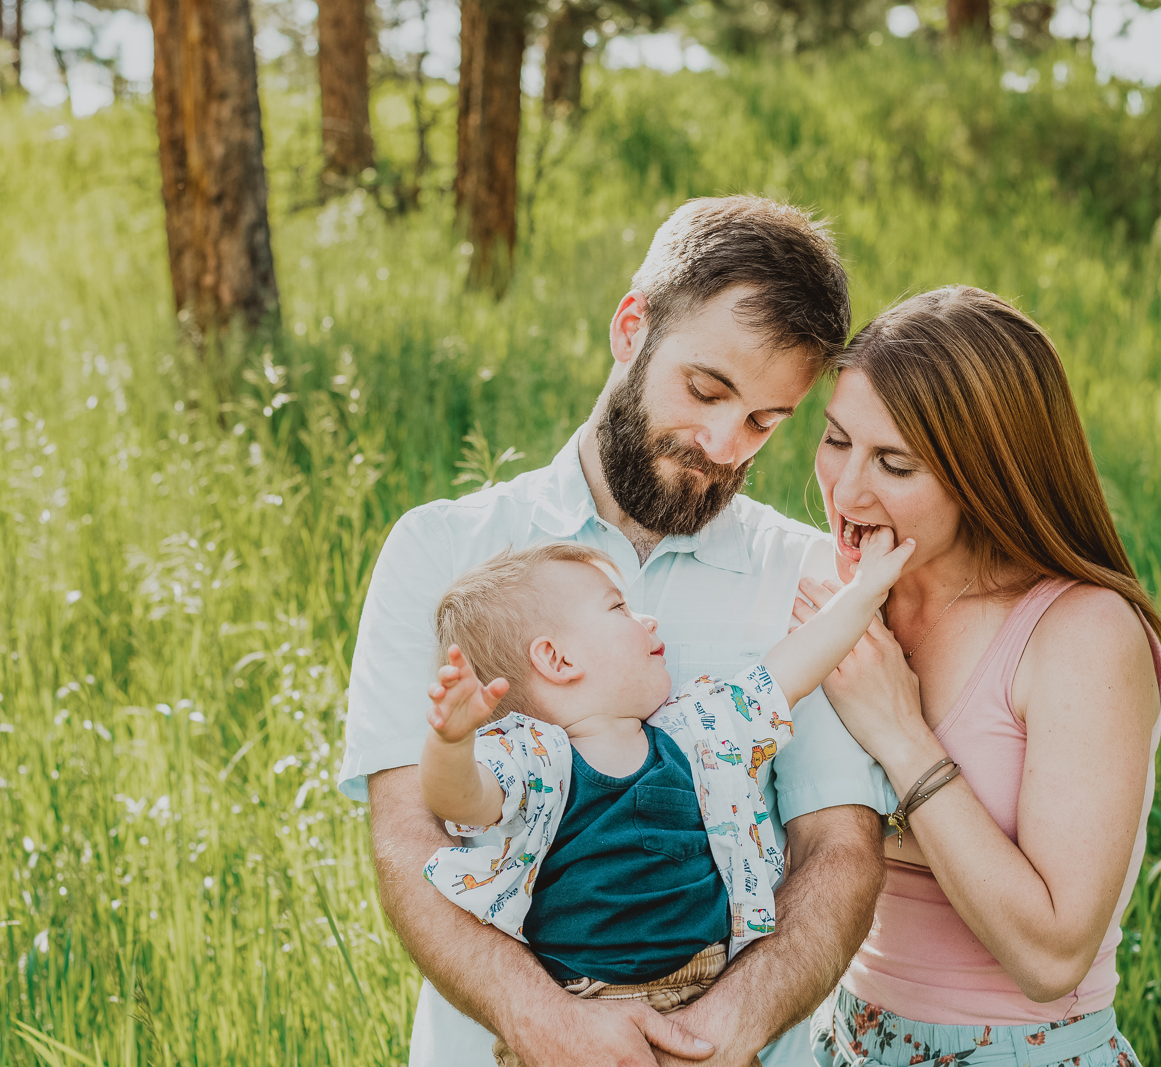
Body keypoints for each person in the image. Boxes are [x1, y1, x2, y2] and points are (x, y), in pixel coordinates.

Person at [341, 195, 891, 1067]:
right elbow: (411, 839)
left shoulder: (811, 579)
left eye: (764, 422)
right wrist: (546, 1020)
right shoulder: (443, 549)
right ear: (631, 327)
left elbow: (839, 851)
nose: (722, 443)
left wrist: (714, 1036)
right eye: (705, 389)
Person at [791, 286, 1161, 1066]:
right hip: (841, 1041)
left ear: (986, 472)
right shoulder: (833, 592)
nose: (846, 490)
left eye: (894, 463)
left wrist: (898, 730)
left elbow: (1052, 955)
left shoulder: (1081, 632)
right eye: (836, 440)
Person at [418, 532, 911, 1066]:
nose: (649, 621)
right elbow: (463, 800)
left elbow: (788, 671)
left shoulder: (696, 733)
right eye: (619, 608)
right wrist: (450, 744)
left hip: (706, 995)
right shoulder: (535, 762)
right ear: (557, 659)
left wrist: (864, 591)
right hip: (578, 1013)